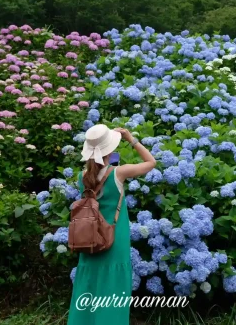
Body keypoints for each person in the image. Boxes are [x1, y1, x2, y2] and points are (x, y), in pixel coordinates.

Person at [68, 124, 156, 325]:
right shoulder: (119, 173)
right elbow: (151, 162)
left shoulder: (82, 177)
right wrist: (130, 139)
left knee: (89, 287)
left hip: (89, 238)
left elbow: (100, 170)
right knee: (112, 290)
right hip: (114, 239)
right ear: (109, 149)